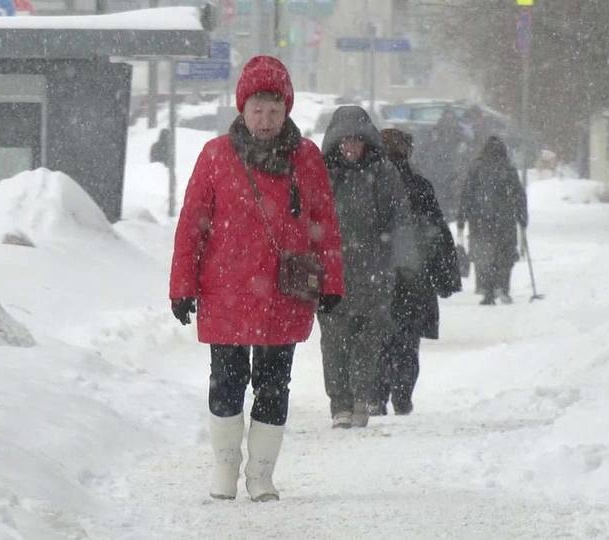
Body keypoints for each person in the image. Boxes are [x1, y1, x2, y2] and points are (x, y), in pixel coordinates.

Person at [169, 56, 344, 502]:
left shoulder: (306, 158)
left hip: (282, 294)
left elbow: (324, 222)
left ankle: (261, 475)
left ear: (286, 110)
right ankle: (225, 472)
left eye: (273, 110)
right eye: (256, 110)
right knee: (226, 381)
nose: (265, 120)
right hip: (225, 290)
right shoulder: (215, 156)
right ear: (241, 111)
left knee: (273, 383)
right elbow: (192, 224)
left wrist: (332, 283)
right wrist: (182, 286)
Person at [318, 106, 418, 429]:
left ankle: (361, 396)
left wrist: (402, 262)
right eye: (344, 142)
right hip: (331, 274)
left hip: (373, 273)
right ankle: (340, 404)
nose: (350, 148)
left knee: (368, 339)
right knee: (334, 340)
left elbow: (400, 219)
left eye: (356, 141)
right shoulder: (322, 175)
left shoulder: (383, 174)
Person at [376, 128, 461, 415]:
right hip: (414, 275)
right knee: (407, 341)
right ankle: (402, 395)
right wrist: (445, 274)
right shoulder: (419, 185)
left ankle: (378, 394)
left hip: (378, 273)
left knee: (379, 339)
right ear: (407, 152)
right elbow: (437, 232)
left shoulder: (370, 182)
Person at [456, 136, 527, 305]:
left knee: (484, 255)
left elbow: (467, 195)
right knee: (505, 254)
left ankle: (487, 290)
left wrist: (461, 219)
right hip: (505, 220)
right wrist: (522, 217)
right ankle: (502, 287)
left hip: (480, 220)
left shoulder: (476, 168)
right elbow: (519, 195)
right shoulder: (508, 169)